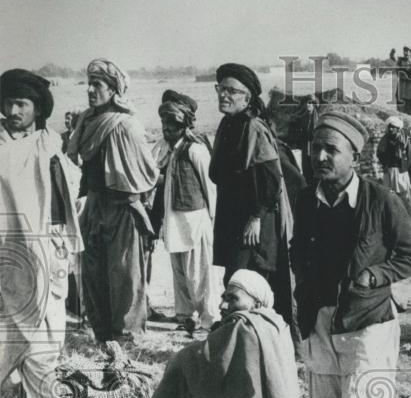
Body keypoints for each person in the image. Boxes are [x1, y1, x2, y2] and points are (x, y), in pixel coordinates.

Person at [291, 112, 411, 398]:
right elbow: (297, 250)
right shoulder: (304, 200)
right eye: (316, 148)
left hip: (368, 320)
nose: (321, 157)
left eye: (332, 149)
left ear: (354, 156)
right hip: (319, 318)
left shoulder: (382, 201)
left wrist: (374, 277)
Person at [149, 270, 304, 398]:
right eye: (223, 297)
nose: (223, 305)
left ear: (256, 303)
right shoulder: (276, 322)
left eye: (233, 299)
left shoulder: (244, 326)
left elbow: (184, 361)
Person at [0, 68, 83, 398]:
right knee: (12, 315)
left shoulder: (50, 144)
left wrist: (58, 240)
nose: (14, 111)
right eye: (8, 103)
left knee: (49, 318)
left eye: (21, 104)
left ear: (38, 108)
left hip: (48, 241)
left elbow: (64, 193)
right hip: (9, 246)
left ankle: (41, 395)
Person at [67, 58, 158, 344]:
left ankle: (127, 339)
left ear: (114, 90)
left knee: (125, 277)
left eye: (98, 85)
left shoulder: (126, 125)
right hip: (94, 207)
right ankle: (103, 336)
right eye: (89, 84)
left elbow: (147, 172)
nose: (91, 90)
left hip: (122, 209)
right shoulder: (85, 121)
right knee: (93, 275)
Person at [208, 62, 296, 330]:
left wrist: (256, 216)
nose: (224, 95)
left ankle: (260, 338)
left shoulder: (253, 127)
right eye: (221, 89)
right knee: (234, 280)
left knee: (248, 282)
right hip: (233, 217)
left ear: (247, 98)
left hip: (255, 221)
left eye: (232, 91)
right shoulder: (228, 125)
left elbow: (270, 179)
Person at [157, 90, 219, 335]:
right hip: (174, 221)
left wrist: (213, 221)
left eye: (172, 124)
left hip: (196, 221)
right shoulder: (169, 150)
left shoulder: (195, 150)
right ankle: (186, 316)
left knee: (201, 273)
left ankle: (208, 319)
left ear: (183, 125)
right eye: (164, 124)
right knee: (180, 272)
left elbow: (210, 187)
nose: (167, 129)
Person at [376, 115, 411, 228]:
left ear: (398, 128)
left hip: (401, 172)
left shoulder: (404, 140)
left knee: (405, 196)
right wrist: (385, 165)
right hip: (389, 171)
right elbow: (379, 153)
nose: (391, 129)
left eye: (393, 127)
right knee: (389, 196)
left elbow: (410, 157)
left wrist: (403, 168)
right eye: (389, 127)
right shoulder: (384, 140)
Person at [396, 46, 411, 116]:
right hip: (402, 85)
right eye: (404, 51)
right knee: (401, 106)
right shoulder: (400, 61)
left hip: (410, 85)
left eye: (407, 51)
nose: (405, 52)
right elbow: (397, 71)